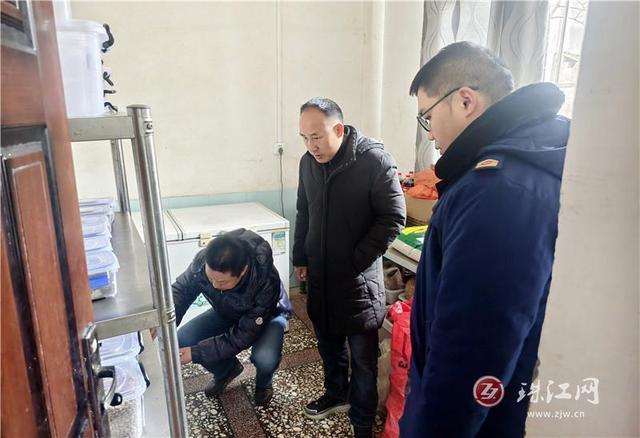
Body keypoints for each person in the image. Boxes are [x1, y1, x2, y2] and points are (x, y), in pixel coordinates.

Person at [400, 41, 570, 437]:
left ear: (465, 100)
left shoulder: (499, 191)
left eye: (428, 117)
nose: (430, 134)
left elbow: (471, 351)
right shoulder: (510, 168)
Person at [293, 97, 406, 437]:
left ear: (339, 129)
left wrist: (355, 261)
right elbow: (304, 211)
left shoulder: (373, 160)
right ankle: (335, 393)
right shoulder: (308, 163)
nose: (311, 146)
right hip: (320, 275)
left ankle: (361, 421)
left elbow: (392, 218)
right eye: (304, 138)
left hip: (358, 281)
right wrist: (301, 257)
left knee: (363, 359)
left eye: (317, 136)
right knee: (328, 344)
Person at [168, 228, 291, 406]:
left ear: (243, 271)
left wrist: (196, 353)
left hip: (267, 317)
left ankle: (264, 384)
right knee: (183, 339)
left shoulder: (265, 281)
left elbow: (242, 337)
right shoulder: (203, 261)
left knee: (265, 357)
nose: (214, 285)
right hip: (227, 310)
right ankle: (227, 370)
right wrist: (164, 320)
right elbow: (181, 290)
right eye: (210, 279)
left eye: (222, 282)